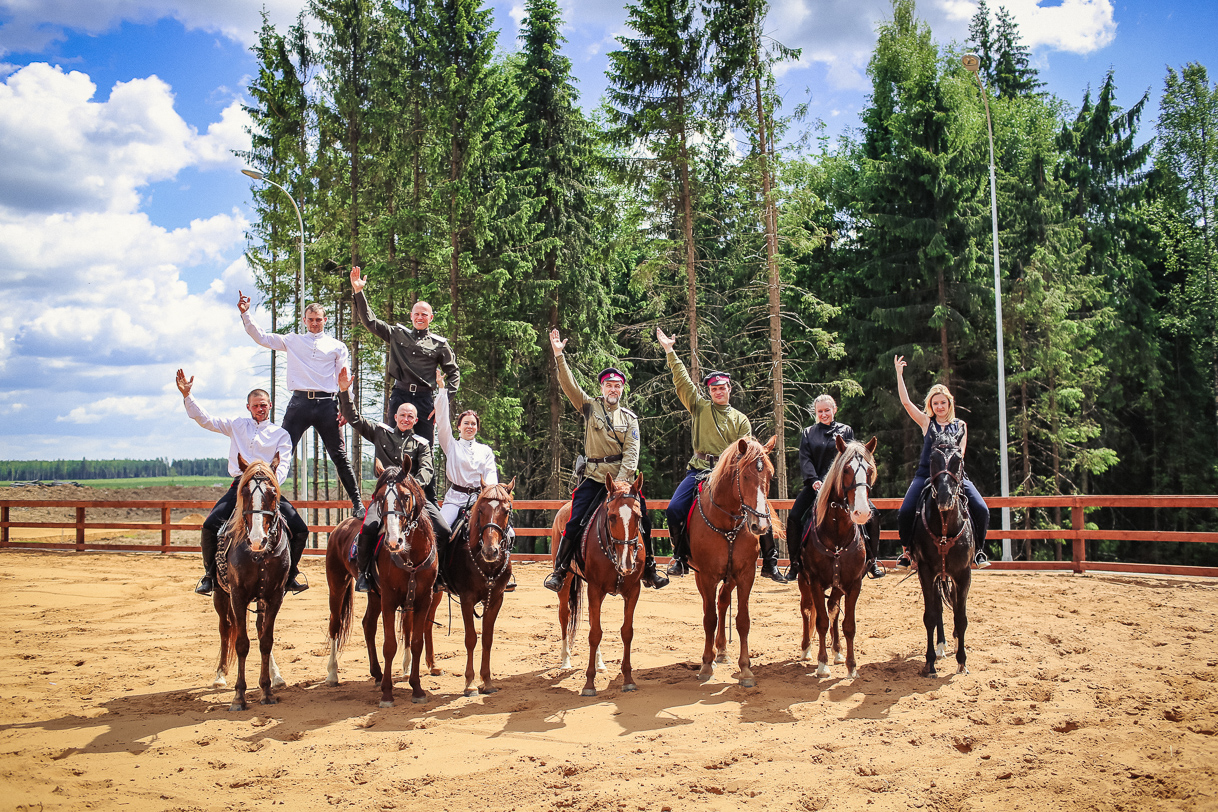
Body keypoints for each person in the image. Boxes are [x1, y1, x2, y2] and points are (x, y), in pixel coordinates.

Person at [657, 328, 787, 583]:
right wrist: (670, 351)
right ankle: (680, 556)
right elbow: (682, 381)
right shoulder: (699, 407)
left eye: (723, 387)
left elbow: (748, 453)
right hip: (700, 471)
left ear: (729, 389)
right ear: (709, 391)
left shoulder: (741, 419)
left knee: (763, 509)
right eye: (714, 388)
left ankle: (770, 563)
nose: (719, 391)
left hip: (732, 474)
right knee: (674, 509)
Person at [543, 329, 668, 591]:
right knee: (575, 520)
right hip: (594, 477)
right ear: (602, 387)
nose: (613, 389)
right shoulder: (590, 406)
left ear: (622, 389)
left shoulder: (629, 418)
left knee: (643, 518)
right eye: (609, 385)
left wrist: (622, 483)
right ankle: (560, 569)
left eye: (617, 385)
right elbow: (569, 386)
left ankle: (651, 569)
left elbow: (632, 453)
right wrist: (559, 356)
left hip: (622, 482)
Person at [176, 369, 311, 595]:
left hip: (268, 488)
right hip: (241, 487)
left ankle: (291, 574)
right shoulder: (236, 425)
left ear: (270, 406)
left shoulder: (280, 434)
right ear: (248, 407)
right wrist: (187, 396)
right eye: (256, 405)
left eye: (264, 404)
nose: (260, 408)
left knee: (300, 530)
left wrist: (272, 484)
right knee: (209, 526)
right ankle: (210, 575)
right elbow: (206, 420)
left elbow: (284, 464)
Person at [239, 293, 364, 518]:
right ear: (304, 321)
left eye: (318, 319)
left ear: (326, 320)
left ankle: (357, 503)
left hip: (327, 404)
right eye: (311, 319)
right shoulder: (293, 340)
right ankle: (264, 498)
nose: (315, 323)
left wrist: (347, 406)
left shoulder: (337, 346)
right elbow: (262, 337)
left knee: (339, 455)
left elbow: (344, 378)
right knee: (279, 450)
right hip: (299, 404)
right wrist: (246, 313)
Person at [337, 369, 452, 594]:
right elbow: (354, 419)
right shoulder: (381, 433)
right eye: (402, 415)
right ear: (395, 416)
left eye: (410, 417)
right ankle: (365, 573)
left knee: (445, 531)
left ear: (416, 421)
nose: (406, 419)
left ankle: (439, 575)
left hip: (414, 497)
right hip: (384, 499)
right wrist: (344, 392)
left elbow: (427, 471)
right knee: (369, 528)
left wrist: (410, 487)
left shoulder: (422, 444)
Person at [894, 356, 991, 569]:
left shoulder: (961, 425)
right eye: (935, 403)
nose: (939, 406)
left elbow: (960, 454)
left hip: (955, 476)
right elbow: (906, 403)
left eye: (942, 403)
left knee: (982, 509)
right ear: (931, 405)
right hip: (926, 475)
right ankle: (907, 552)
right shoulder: (926, 423)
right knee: (905, 511)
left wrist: (950, 475)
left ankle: (979, 551)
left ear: (949, 404)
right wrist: (900, 375)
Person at [349, 266, 460, 446]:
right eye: (416, 314)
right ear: (411, 316)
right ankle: (391, 475)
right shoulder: (397, 334)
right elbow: (370, 322)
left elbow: (454, 373)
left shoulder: (440, 344)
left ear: (431, 318)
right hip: (400, 394)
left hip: (425, 400)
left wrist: (442, 402)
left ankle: (425, 475)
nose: (420, 317)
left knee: (425, 445)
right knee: (392, 442)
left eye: (424, 314)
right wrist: (359, 291)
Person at [432, 368, 516, 591]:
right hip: (455, 499)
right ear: (459, 426)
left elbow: (490, 478)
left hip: (480, 499)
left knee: (509, 531)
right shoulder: (450, 444)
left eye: (473, 424)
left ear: (477, 428)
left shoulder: (485, 450)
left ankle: (504, 573)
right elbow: (441, 421)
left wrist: (486, 497)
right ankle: (437, 574)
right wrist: (442, 391)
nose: (469, 426)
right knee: (439, 530)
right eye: (465, 423)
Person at [785, 394, 884, 581]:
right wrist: (813, 480)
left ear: (834, 410)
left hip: (843, 487)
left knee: (874, 514)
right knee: (795, 516)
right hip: (816, 486)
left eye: (827, 410)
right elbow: (805, 459)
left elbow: (850, 458)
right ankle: (794, 564)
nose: (824, 414)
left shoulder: (846, 431)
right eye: (820, 411)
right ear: (816, 412)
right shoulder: (808, 433)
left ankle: (872, 560)